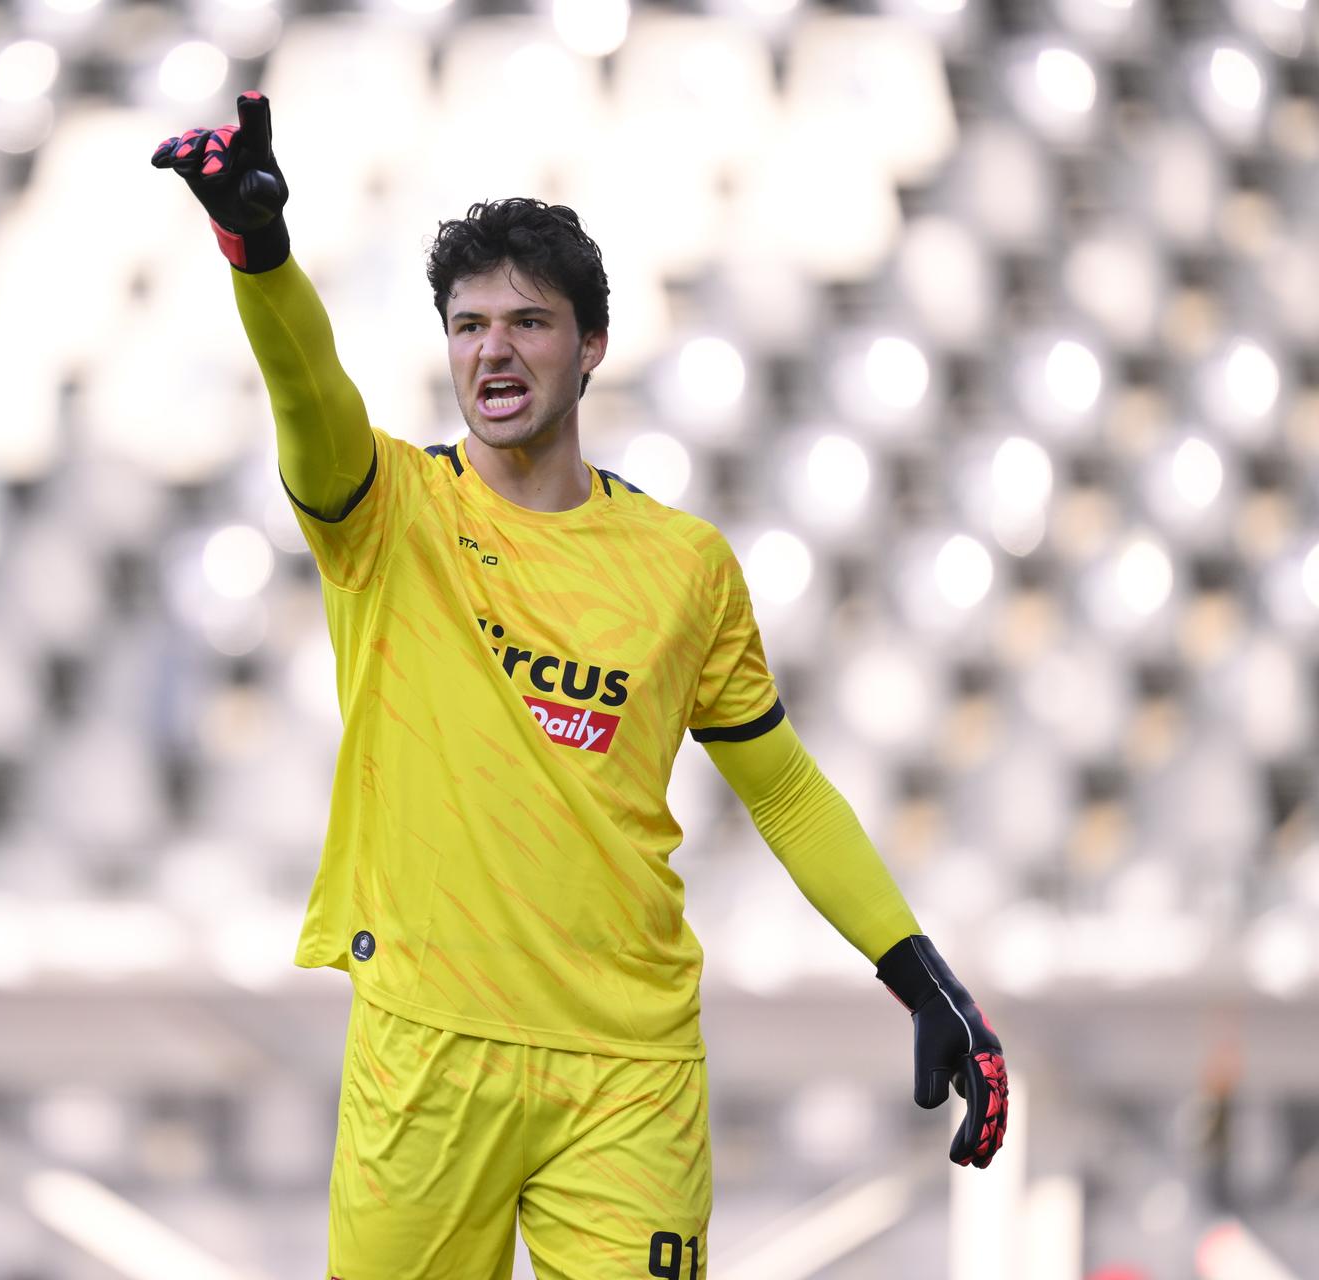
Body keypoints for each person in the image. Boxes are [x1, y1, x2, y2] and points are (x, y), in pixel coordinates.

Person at [152, 93, 1009, 1280]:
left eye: (527, 322)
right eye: (467, 325)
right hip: (428, 1055)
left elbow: (787, 792)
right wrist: (262, 254)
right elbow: (308, 394)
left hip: (629, 1070)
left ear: (591, 344)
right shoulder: (387, 510)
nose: (492, 350)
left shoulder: (684, 565)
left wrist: (924, 975)